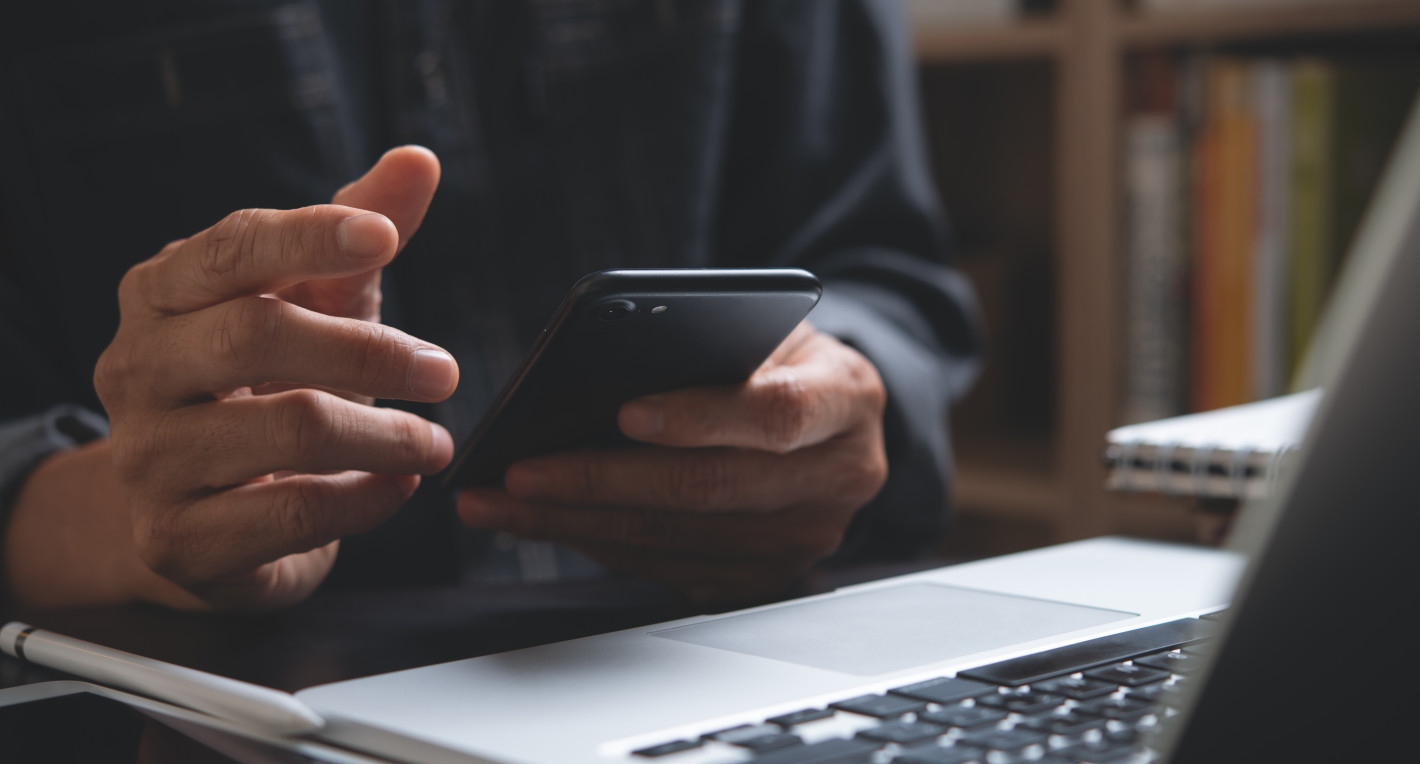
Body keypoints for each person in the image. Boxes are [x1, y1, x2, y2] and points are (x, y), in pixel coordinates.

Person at [0, 0, 982, 613]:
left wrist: (830, 409)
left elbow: (888, 284)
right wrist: (117, 518)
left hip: (711, 658)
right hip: (215, 719)